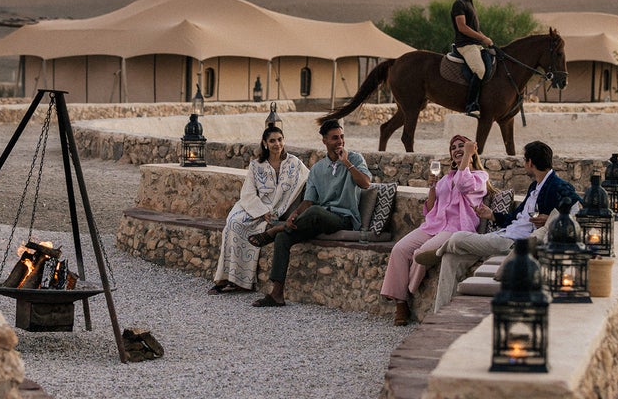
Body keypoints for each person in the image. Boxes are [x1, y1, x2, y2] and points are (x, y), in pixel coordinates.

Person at [433, 140, 579, 312]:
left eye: (524, 160)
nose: (524, 164)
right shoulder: (535, 186)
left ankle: (435, 252)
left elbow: (577, 206)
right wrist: (492, 215)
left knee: (457, 237)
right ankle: (440, 313)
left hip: (512, 243)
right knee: (450, 258)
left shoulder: (557, 185)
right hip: (504, 234)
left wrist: (549, 220)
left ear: (530, 162)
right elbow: (517, 217)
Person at [247, 119, 371, 307]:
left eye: (342, 137)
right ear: (324, 141)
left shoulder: (354, 159)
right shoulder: (317, 169)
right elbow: (308, 201)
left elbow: (365, 184)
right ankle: (277, 294)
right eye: (335, 138)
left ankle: (275, 230)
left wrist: (347, 163)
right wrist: (294, 215)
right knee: (284, 239)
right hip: (315, 218)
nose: (340, 142)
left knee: (314, 212)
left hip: (343, 218)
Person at [379, 135, 489, 325]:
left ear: (472, 150)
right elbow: (430, 209)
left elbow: (464, 185)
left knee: (422, 253)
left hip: (457, 229)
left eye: (461, 146)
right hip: (434, 225)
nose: (456, 149)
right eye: (453, 147)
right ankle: (400, 301)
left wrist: (467, 156)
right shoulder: (446, 179)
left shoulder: (480, 177)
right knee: (400, 249)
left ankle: (407, 294)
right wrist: (432, 187)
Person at [209, 126, 308, 295]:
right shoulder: (256, 165)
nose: (277, 144)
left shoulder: (294, 163)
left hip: (277, 211)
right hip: (253, 208)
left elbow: (309, 180)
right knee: (233, 224)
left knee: (248, 228)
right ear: (265, 143)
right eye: (272, 141)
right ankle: (228, 279)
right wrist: (262, 211)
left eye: (280, 139)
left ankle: (241, 282)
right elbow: (247, 193)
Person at [451, 0, 494, 117]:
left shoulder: (469, 3)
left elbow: (474, 28)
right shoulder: (459, 4)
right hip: (466, 45)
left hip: (476, 44)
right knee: (480, 70)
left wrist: (485, 38)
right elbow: (462, 27)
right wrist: (482, 38)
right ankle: (471, 105)